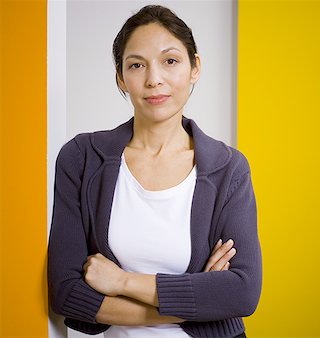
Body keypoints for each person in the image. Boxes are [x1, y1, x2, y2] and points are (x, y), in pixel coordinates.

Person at [47, 4, 262, 338]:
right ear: (120, 76)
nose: (154, 79)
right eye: (136, 65)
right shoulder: (81, 158)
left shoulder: (228, 168)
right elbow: (66, 292)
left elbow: (242, 293)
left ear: (195, 67)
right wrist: (199, 301)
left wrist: (122, 282)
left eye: (171, 61)